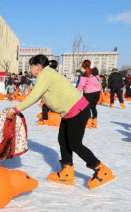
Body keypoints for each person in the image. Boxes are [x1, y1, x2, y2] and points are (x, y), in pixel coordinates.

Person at [11, 55, 116, 190]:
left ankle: (101, 170)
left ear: (37, 66)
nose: (30, 69)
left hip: (78, 110)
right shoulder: (48, 73)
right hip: (70, 112)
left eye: (31, 66)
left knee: (75, 144)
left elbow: (34, 96)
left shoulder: (45, 74)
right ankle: (67, 171)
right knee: (63, 139)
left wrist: (16, 109)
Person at [77, 60, 101, 128]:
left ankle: (88, 121)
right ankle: (94, 121)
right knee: (93, 107)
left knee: (87, 108)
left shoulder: (84, 75)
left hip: (88, 93)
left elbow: (81, 85)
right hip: (97, 93)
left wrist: (77, 92)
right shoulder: (95, 72)